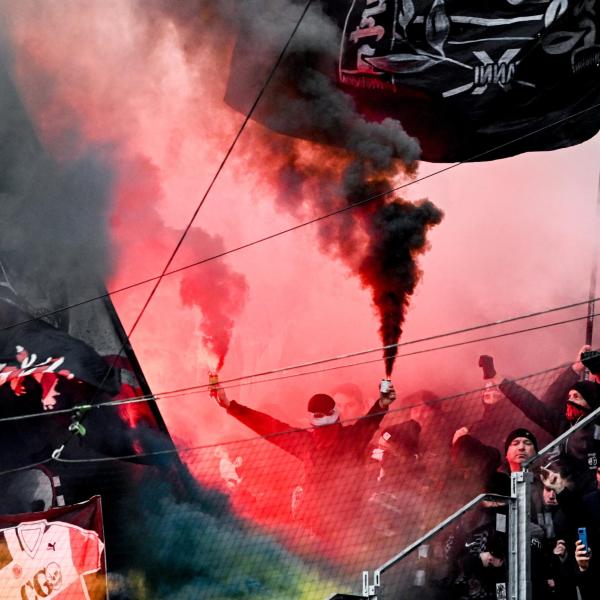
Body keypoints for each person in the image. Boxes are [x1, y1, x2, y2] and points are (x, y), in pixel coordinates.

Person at [213, 382, 396, 537]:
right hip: (315, 527)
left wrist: (383, 403)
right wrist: (231, 406)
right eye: (318, 415)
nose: (323, 421)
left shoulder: (352, 438)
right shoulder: (306, 442)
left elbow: (371, 420)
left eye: (325, 414)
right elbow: (267, 426)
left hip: (350, 527)